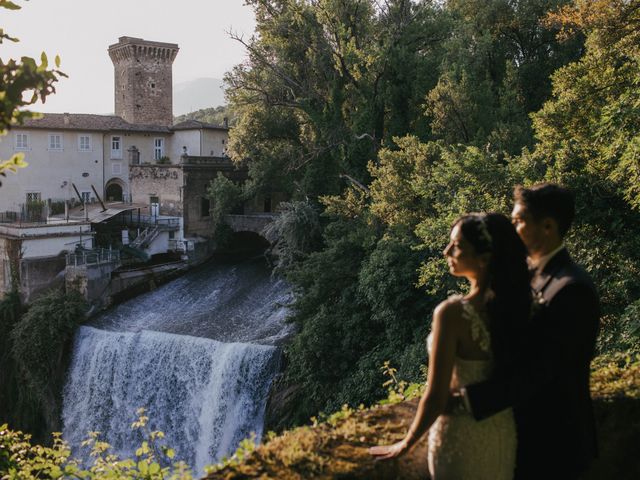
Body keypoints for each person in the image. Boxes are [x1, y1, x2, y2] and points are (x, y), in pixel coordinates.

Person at [370, 212, 531, 479]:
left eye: (456, 246)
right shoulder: (522, 307)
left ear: (485, 258)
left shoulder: (453, 313)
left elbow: (435, 398)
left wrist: (406, 443)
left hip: (460, 439)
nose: (446, 251)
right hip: (501, 432)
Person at [460, 184, 600, 479]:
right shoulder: (521, 275)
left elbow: (541, 370)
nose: (512, 229)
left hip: (555, 443)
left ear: (548, 226)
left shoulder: (573, 289)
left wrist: (468, 399)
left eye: (519, 221)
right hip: (519, 435)